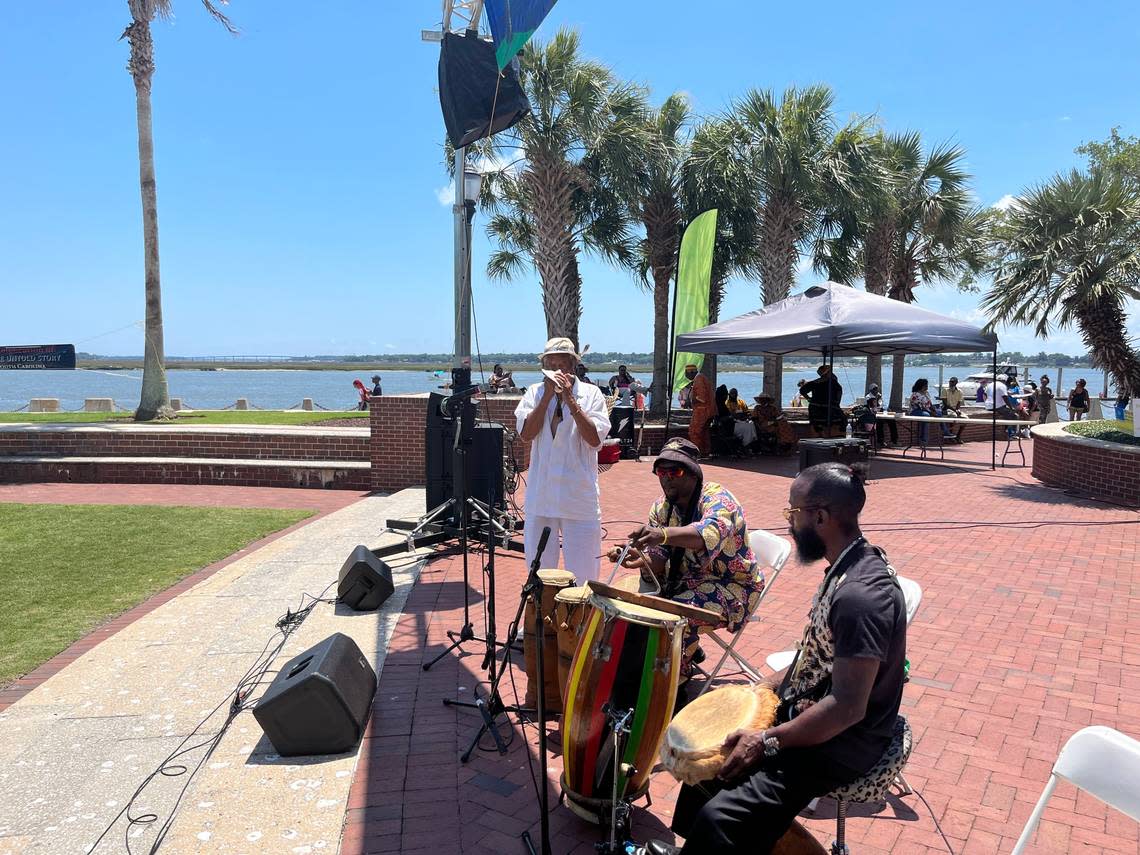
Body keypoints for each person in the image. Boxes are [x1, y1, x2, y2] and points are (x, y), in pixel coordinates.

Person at [634, 463, 906, 855]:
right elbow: (817, 656)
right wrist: (763, 689)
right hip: (812, 715)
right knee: (706, 774)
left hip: (844, 742)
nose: (789, 525)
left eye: (791, 514)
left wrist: (766, 740)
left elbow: (847, 707)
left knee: (721, 818)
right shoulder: (845, 565)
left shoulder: (862, 597)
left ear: (820, 517)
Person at [608, 438, 764, 679]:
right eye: (661, 471)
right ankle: (681, 655)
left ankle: (671, 684)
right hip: (686, 584)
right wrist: (637, 558)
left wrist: (661, 535)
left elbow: (705, 535)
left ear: (693, 474)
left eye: (675, 471)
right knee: (634, 610)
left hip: (734, 587)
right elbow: (658, 562)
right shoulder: (661, 508)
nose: (667, 477)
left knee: (675, 618)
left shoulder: (719, 500)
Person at [514, 337, 611, 583]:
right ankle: (540, 621)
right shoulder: (534, 393)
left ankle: (582, 620)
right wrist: (547, 397)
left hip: (578, 500)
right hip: (541, 498)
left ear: (572, 366)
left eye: (562, 365)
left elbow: (594, 439)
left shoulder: (591, 394)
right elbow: (526, 435)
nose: (557, 371)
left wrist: (570, 400)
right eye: (551, 365)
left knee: (584, 575)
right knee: (538, 575)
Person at [800, 366, 844, 436]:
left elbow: (802, 390)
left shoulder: (816, 382)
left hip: (816, 408)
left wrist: (809, 399)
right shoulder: (833, 383)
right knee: (842, 420)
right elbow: (839, 396)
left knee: (818, 425)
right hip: (825, 408)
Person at [685, 364, 715, 456]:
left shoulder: (699, 380)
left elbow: (702, 398)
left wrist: (690, 401)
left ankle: (696, 452)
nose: (686, 375)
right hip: (709, 410)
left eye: (686, 373)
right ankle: (705, 452)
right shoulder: (702, 378)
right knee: (704, 432)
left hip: (702, 410)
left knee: (694, 431)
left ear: (690, 372)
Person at [908, 378, 949, 444]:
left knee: (939, 413)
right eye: (925, 386)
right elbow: (922, 408)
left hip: (927, 410)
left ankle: (945, 432)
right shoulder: (915, 395)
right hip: (916, 411)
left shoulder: (926, 393)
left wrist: (934, 410)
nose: (927, 387)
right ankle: (923, 440)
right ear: (921, 386)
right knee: (926, 416)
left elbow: (929, 403)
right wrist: (932, 413)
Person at [863, 384, 897, 448]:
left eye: (877, 389)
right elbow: (872, 408)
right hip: (873, 416)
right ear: (871, 390)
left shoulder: (879, 396)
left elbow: (883, 405)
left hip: (881, 414)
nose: (876, 391)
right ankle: (880, 441)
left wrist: (886, 409)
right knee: (879, 423)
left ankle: (894, 440)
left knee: (892, 421)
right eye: (874, 389)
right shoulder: (868, 397)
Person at [941, 377, 966, 442]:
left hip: (955, 410)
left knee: (966, 419)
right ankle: (950, 436)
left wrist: (957, 410)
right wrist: (955, 410)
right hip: (946, 409)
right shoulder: (945, 390)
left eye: (952, 382)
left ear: (956, 383)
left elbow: (959, 403)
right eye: (950, 381)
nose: (950, 383)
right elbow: (945, 404)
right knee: (953, 416)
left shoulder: (959, 391)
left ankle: (958, 436)